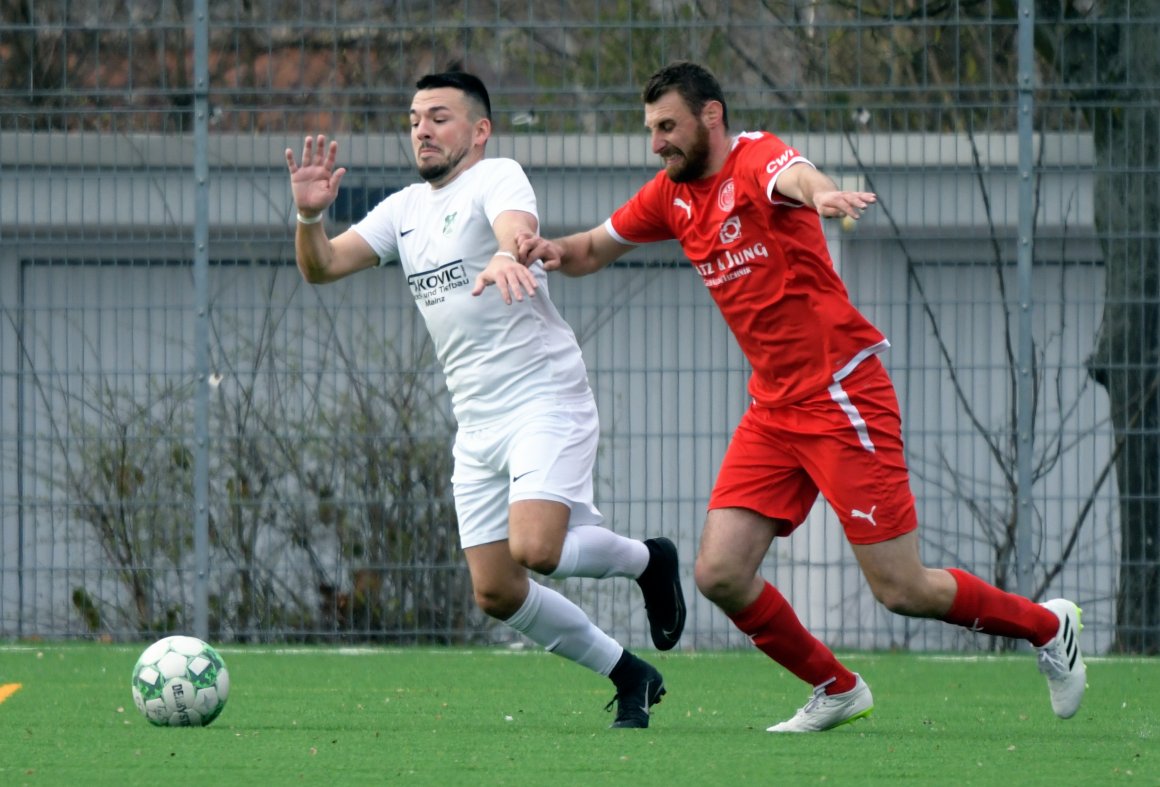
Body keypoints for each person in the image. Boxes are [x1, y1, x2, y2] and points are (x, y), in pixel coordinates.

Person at [517, 60, 1086, 732]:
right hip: (773, 408)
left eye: (667, 126)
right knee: (720, 571)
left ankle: (1048, 624)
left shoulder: (757, 159)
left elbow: (792, 175)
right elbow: (590, 248)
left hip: (842, 393)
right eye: (650, 129)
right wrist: (546, 249)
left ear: (712, 117)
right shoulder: (670, 195)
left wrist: (819, 194)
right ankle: (836, 686)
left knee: (901, 587)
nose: (657, 143)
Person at [284, 70, 686, 729]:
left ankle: (649, 560)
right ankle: (629, 671)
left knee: (537, 548)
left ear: (479, 130)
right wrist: (308, 215)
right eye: (415, 118)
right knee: (496, 589)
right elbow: (320, 266)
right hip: (477, 422)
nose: (422, 129)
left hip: (542, 398)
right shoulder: (402, 211)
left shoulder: (497, 176)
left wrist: (506, 254)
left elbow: (516, 225)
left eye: (439, 116)